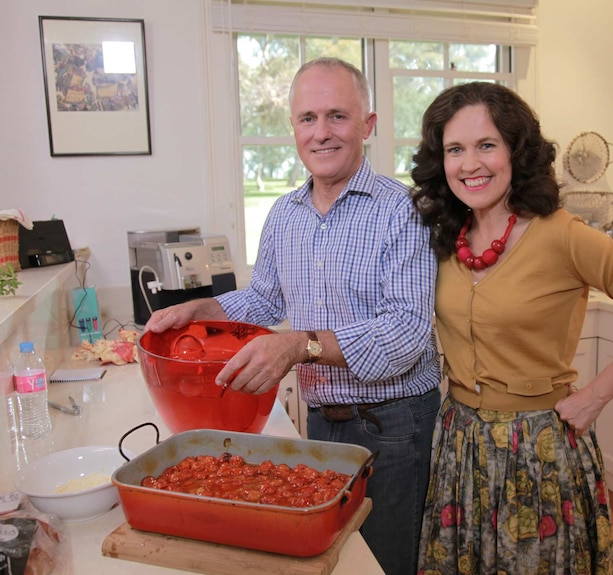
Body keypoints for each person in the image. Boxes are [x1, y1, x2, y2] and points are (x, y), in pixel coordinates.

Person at [145, 57, 442, 575]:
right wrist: (206, 310)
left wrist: (299, 345)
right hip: (324, 421)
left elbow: (407, 333)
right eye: (307, 118)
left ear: (367, 125)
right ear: (293, 129)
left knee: (385, 564)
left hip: (394, 426)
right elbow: (263, 299)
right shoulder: (285, 214)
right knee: (332, 559)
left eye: (337, 116)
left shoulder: (402, 210)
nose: (321, 133)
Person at [409, 82, 613, 574]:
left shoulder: (563, 235)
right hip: (459, 445)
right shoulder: (443, 234)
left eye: (486, 145)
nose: (469, 163)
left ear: (515, 152)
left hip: (537, 452)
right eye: (455, 149)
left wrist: (595, 397)